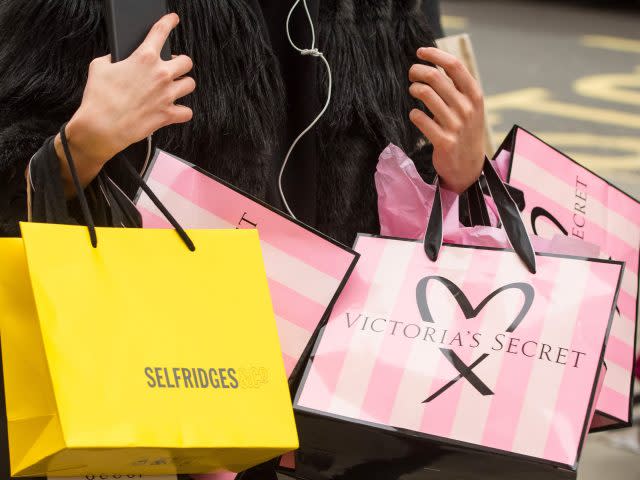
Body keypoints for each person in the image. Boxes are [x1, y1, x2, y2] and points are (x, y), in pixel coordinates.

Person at [0, 0, 485, 246]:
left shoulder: (384, 9)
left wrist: (459, 175)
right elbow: (15, 176)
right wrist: (83, 144)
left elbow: (414, 158)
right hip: (166, 371)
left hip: (335, 377)